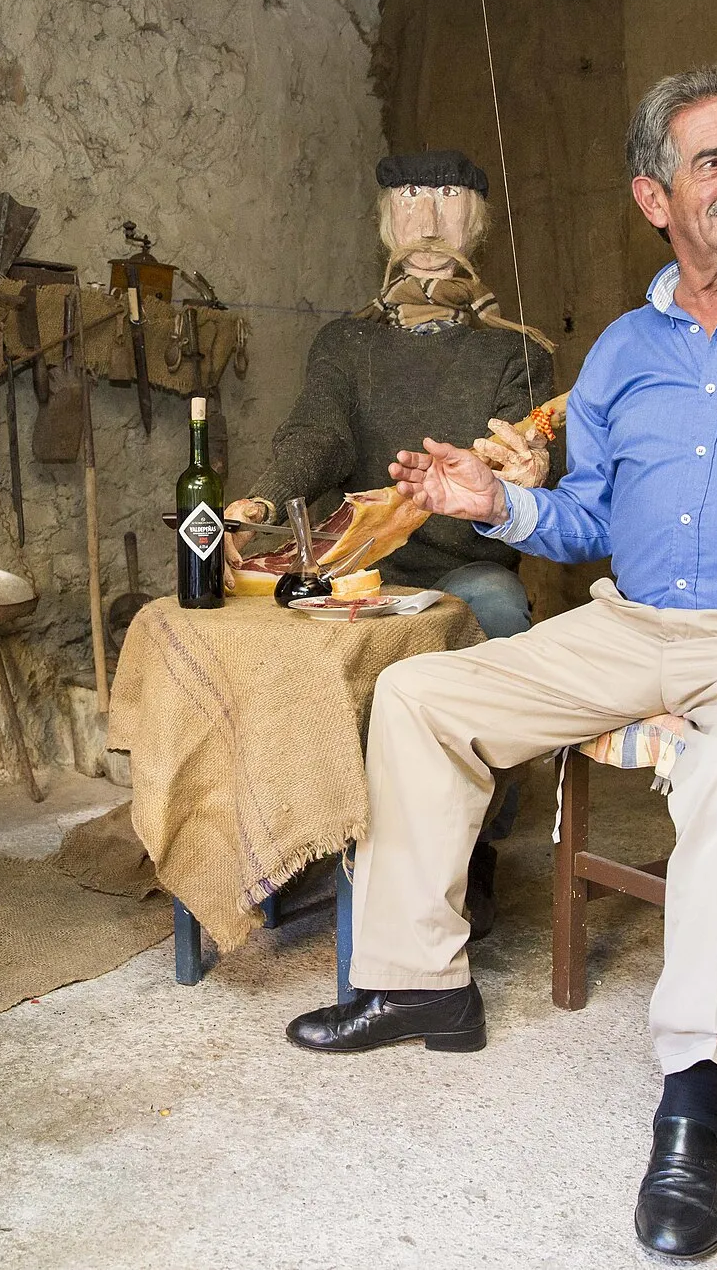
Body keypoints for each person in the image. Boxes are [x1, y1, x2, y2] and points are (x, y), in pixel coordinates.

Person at [284, 67, 717, 1260]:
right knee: (417, 692)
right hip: (631, 621)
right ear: (653, 196)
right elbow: (587, 520)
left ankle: (695, 1095)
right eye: (711, 162)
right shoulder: (617, 353)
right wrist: (496, 501)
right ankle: (419, 984)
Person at [226, 149, 556, 934]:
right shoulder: (346, 344)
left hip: (462, 565)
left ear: (476, 221)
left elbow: (537, 460)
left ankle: (474, 848)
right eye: (410, 201)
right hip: (355, 562)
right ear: (384, 221)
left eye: (449, 201)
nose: (430, 221)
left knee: (500, 607)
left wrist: (530, 468)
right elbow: (319, 431)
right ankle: (297, 832)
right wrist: (263, 495)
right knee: (262, 625)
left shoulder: (519, 352)